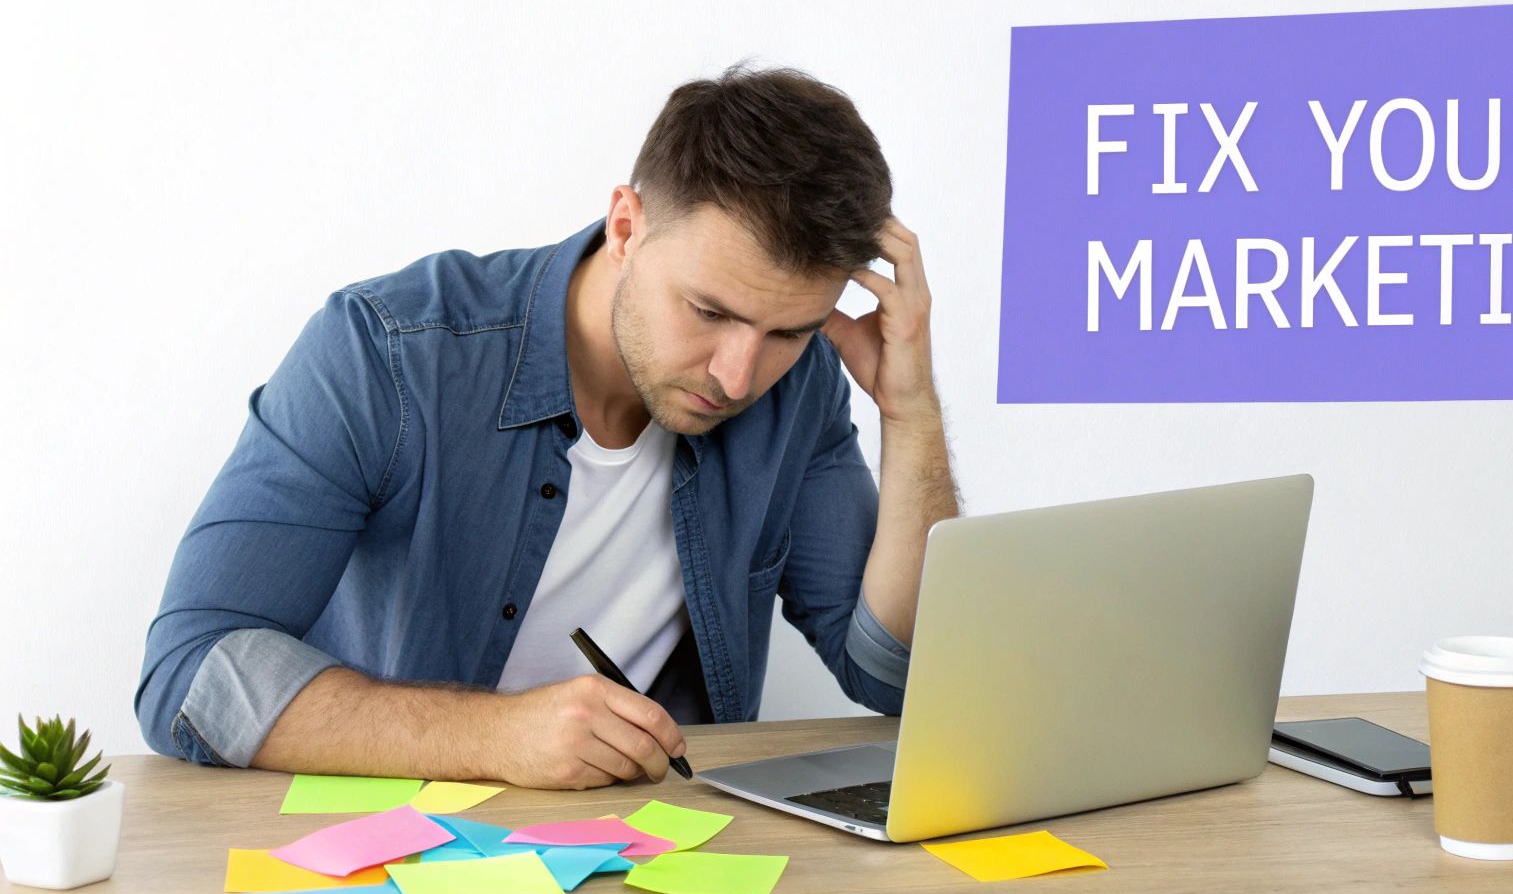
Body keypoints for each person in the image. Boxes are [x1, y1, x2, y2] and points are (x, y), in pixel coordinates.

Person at [134, 63, 960, 790]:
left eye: (788, 331)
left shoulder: (799, 386)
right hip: (400, 849)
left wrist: (909, 411)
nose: (737, 375)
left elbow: (899, 675)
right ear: (627, 226)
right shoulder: (387, 353)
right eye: (709, 311)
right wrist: (495, 735)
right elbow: (192, 670)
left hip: (654, 846)